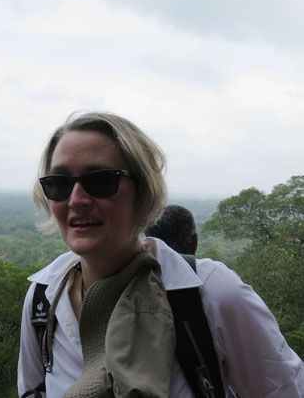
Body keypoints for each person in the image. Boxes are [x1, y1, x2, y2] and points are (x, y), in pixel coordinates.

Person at [17, 111, 303, 397]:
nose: (76, 199)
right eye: (59, 183)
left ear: (142, 192)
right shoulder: (44, 300)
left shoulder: (210, 293)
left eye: (101, 180)